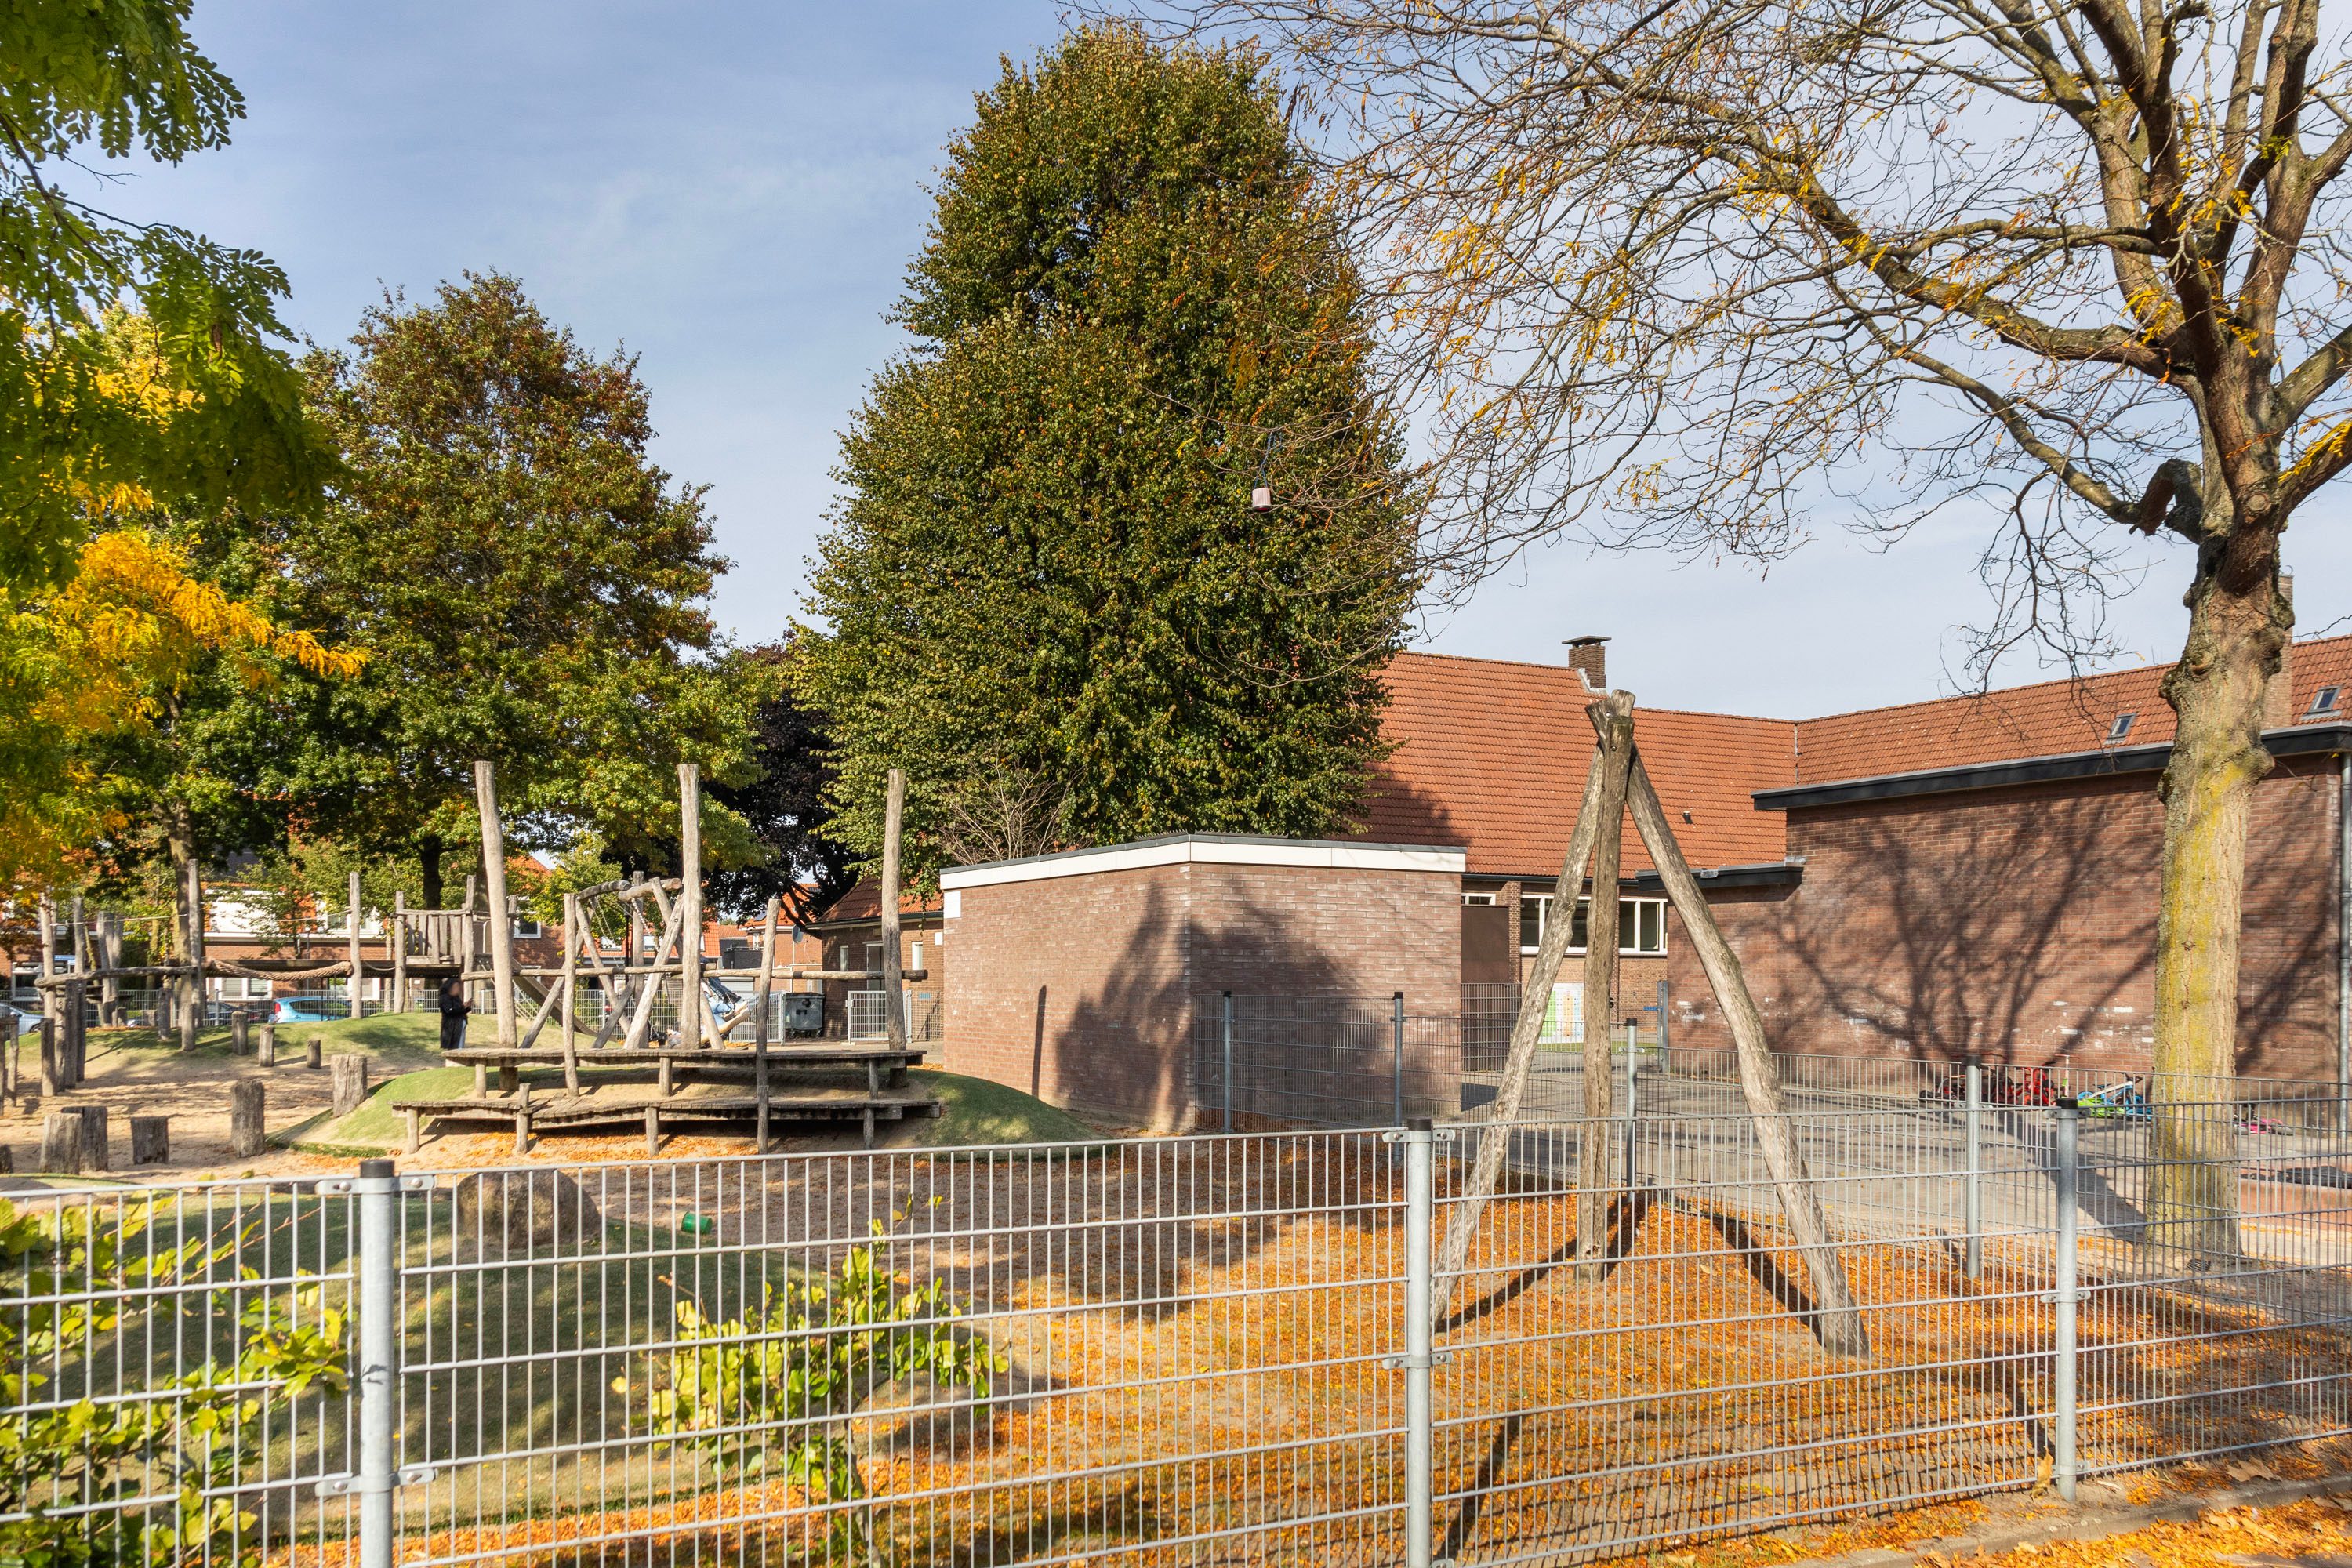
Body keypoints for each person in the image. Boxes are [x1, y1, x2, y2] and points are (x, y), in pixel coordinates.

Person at [437, 974, 472, 1053]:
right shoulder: (445, 998)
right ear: (449, 987)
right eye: (455, 987)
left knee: (460, 1045)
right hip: (451, 1026)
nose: (457, 989)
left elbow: (459, 1011)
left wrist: (467, 1007)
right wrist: (462, 1006)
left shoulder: (456, 998)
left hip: (460, 1023)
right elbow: (449, 1010)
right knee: (454, 1046)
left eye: (458, 987)